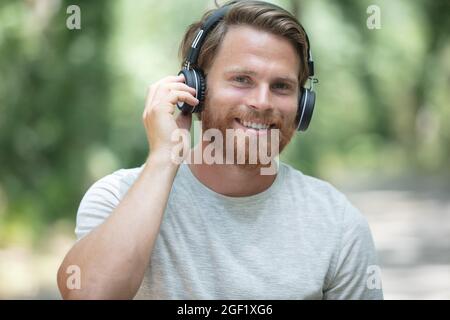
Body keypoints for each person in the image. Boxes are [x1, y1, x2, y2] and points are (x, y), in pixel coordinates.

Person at [57, 0, 383, 300]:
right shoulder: (117, 198)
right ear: (193, 88)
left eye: (281, 86)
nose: (262, 101)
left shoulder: (338, 225)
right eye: (242, 79)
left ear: (302, 106)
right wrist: (162, 160)